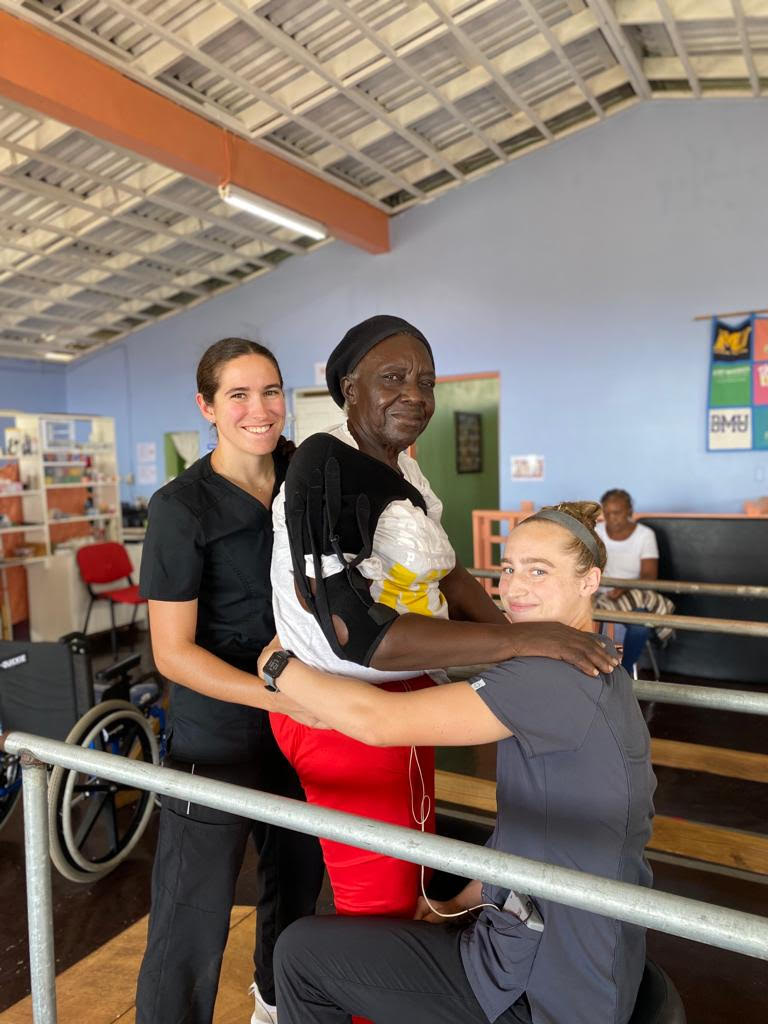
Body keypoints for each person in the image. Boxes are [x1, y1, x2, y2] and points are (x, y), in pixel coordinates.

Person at [269, 315, 618, 923]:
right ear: (350, 388)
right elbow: (358, 635)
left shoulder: (405, 467)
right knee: (377, 903)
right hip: (347, 710)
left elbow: (451, 575)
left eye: (426, 382)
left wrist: (523, 644)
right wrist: (524, 642)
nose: (415, 394)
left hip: (408, 690)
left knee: (408, 877)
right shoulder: (324, 467)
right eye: (394, 378)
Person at [259, 501, 656, 1024]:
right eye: (509, 569)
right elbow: (531, 835)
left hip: (537, 989)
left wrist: (278, 663)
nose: (514, 587)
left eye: (539, 571)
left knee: (300, 955)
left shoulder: (549, 680)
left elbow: (377, 722)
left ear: (590, 581)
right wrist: (455, 903)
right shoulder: (598, 660)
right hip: (590, 960)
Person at [135, 338, 325, 1024]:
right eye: (238, 395)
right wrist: (277, 693)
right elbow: (173, 654)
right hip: (217, 732)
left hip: (304, 727)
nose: (259, 408)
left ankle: (275, 1004)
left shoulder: (306, 476)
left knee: (299, 883)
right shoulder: (180, 506)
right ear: (207, 407)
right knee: (194, 909)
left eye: (270, 391)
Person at [595, 488, 673, 671]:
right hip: (600, 592)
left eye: (617, 512)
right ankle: (592, 669)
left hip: (634, 592)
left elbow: (649, 576)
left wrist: (624, 589)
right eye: (607, 513)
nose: (611, 517)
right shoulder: (597, 532)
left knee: (640, 626)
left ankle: (625, 672)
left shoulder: (644, 535)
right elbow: (588, 565)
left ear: (629, 511)